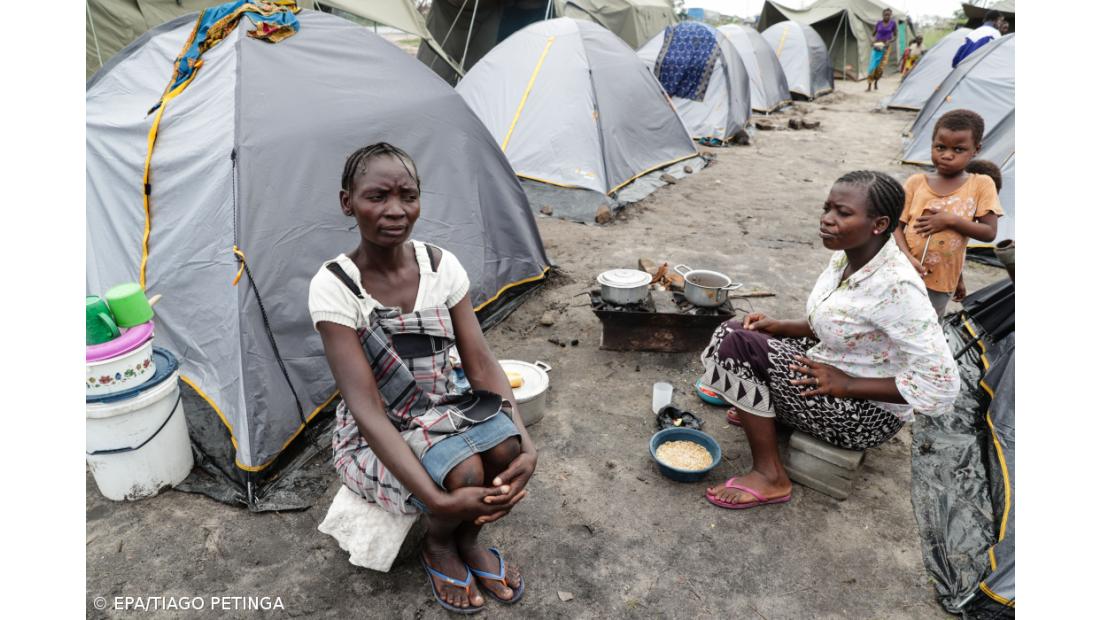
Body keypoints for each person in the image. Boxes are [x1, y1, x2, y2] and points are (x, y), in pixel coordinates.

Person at [310, 143, 536, 613]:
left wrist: (526, 442)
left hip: (443, 408)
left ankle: (469, 539)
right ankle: (439, 544)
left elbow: (480, 364)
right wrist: (435, 499)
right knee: (466, 470)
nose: (395, 211)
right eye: (377, 196)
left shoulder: (440, 266)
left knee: (505, 448)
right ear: (346, 202)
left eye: (407, 195)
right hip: (376, 433)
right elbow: (367, 410)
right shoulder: (335, 285)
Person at [699, 171, 961, 510]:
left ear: (879, 224)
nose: (827, 220)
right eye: (827, 209)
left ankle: (770, 476)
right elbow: (841, 323)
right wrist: (780, 326)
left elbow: (942, 384)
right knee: (737, 330)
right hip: (831, 368)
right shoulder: (848, 256)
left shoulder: (897, 287)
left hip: (862, 415)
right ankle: (762, 408)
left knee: (738, 349)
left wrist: (848, 384)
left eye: (843, 213)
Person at [894, 110, 1003, 317]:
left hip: (940, 282)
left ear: (975, 150)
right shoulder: (916, 183)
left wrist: (950, 220)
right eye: (940, 147)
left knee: (926, 329)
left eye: (959, 149)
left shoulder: (980, 185)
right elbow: (895, 227)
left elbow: (989, 232)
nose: (947, 155)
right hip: (903, 272)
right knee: (894, 321)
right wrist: (907, 257)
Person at [867, 8, 897, 91]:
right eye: (885, 14)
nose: (887, 16)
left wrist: (889, 41)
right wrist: (872, 41)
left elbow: (895, 36)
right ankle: (869, 85)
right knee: (872, 66)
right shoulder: (879, 23)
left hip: (886, 48)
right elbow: (873, 34)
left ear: (890, 15)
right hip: (877, 46)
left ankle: (876, 82)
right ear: (882, 15)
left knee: (880, 68)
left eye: (888, 15)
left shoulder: (893, 24)